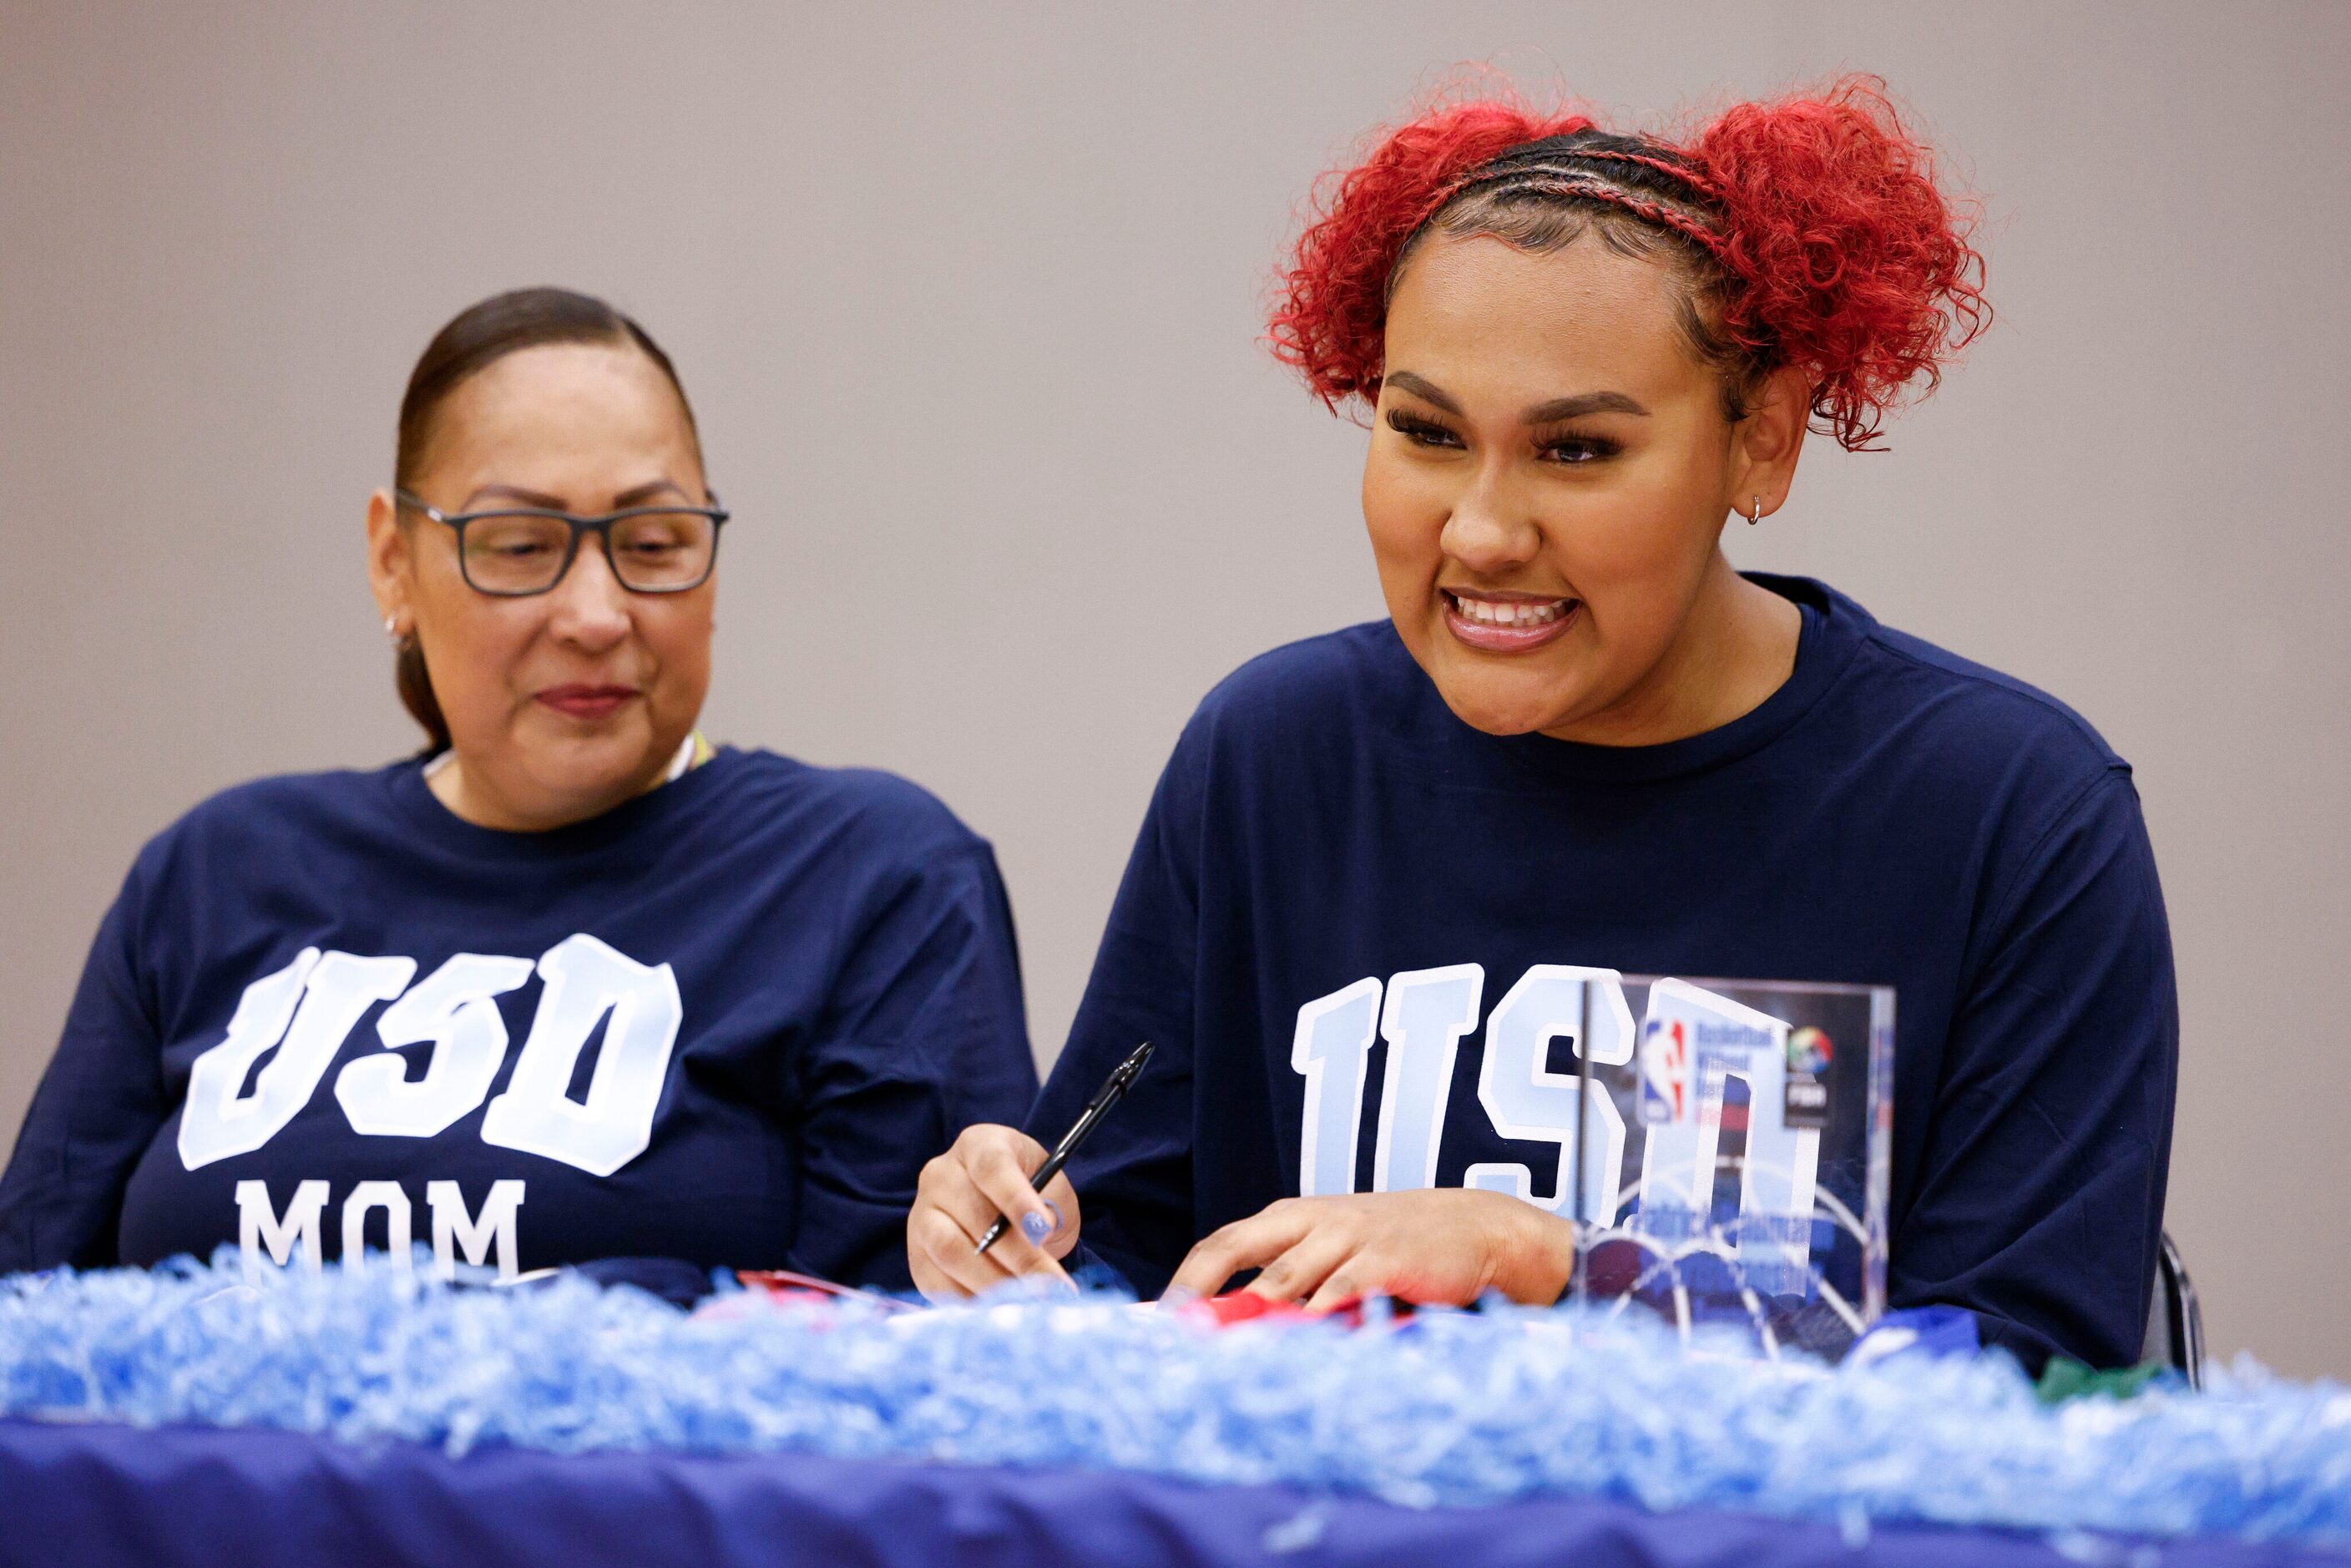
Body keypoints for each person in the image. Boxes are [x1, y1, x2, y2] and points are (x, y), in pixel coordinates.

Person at [908, 79, 2177, 1371]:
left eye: (1575, 452)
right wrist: (1014, 1239)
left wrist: (1557, 1268)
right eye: (1424, 432)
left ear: (1767, 443)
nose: (1480, 532)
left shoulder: (2006, 809)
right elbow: (1118, 1257)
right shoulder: (1273, 756)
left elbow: (2043, 1386)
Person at [0, 287, 1036, 1292]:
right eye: (520, 547)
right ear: (392, 563)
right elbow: (25, 1317)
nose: (595, 612)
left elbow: (887, 1372)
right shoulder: (213, 873)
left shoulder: (868, 875)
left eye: (653, 544)